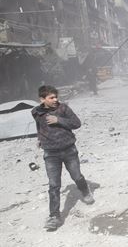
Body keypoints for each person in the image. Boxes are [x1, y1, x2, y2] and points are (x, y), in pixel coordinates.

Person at [32, 85, 94, 231]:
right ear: (42, 99)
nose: (55, 99)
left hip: (68, 150)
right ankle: (54, 216)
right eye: (51, 97)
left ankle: (85, 191)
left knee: (76, 175)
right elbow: (39, 126)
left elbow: (76, 123)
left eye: (56, 97)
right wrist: (39, 138)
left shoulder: (63, 109)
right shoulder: (35, 112)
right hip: (50, 153)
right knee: (54, 185)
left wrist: (58, 120)